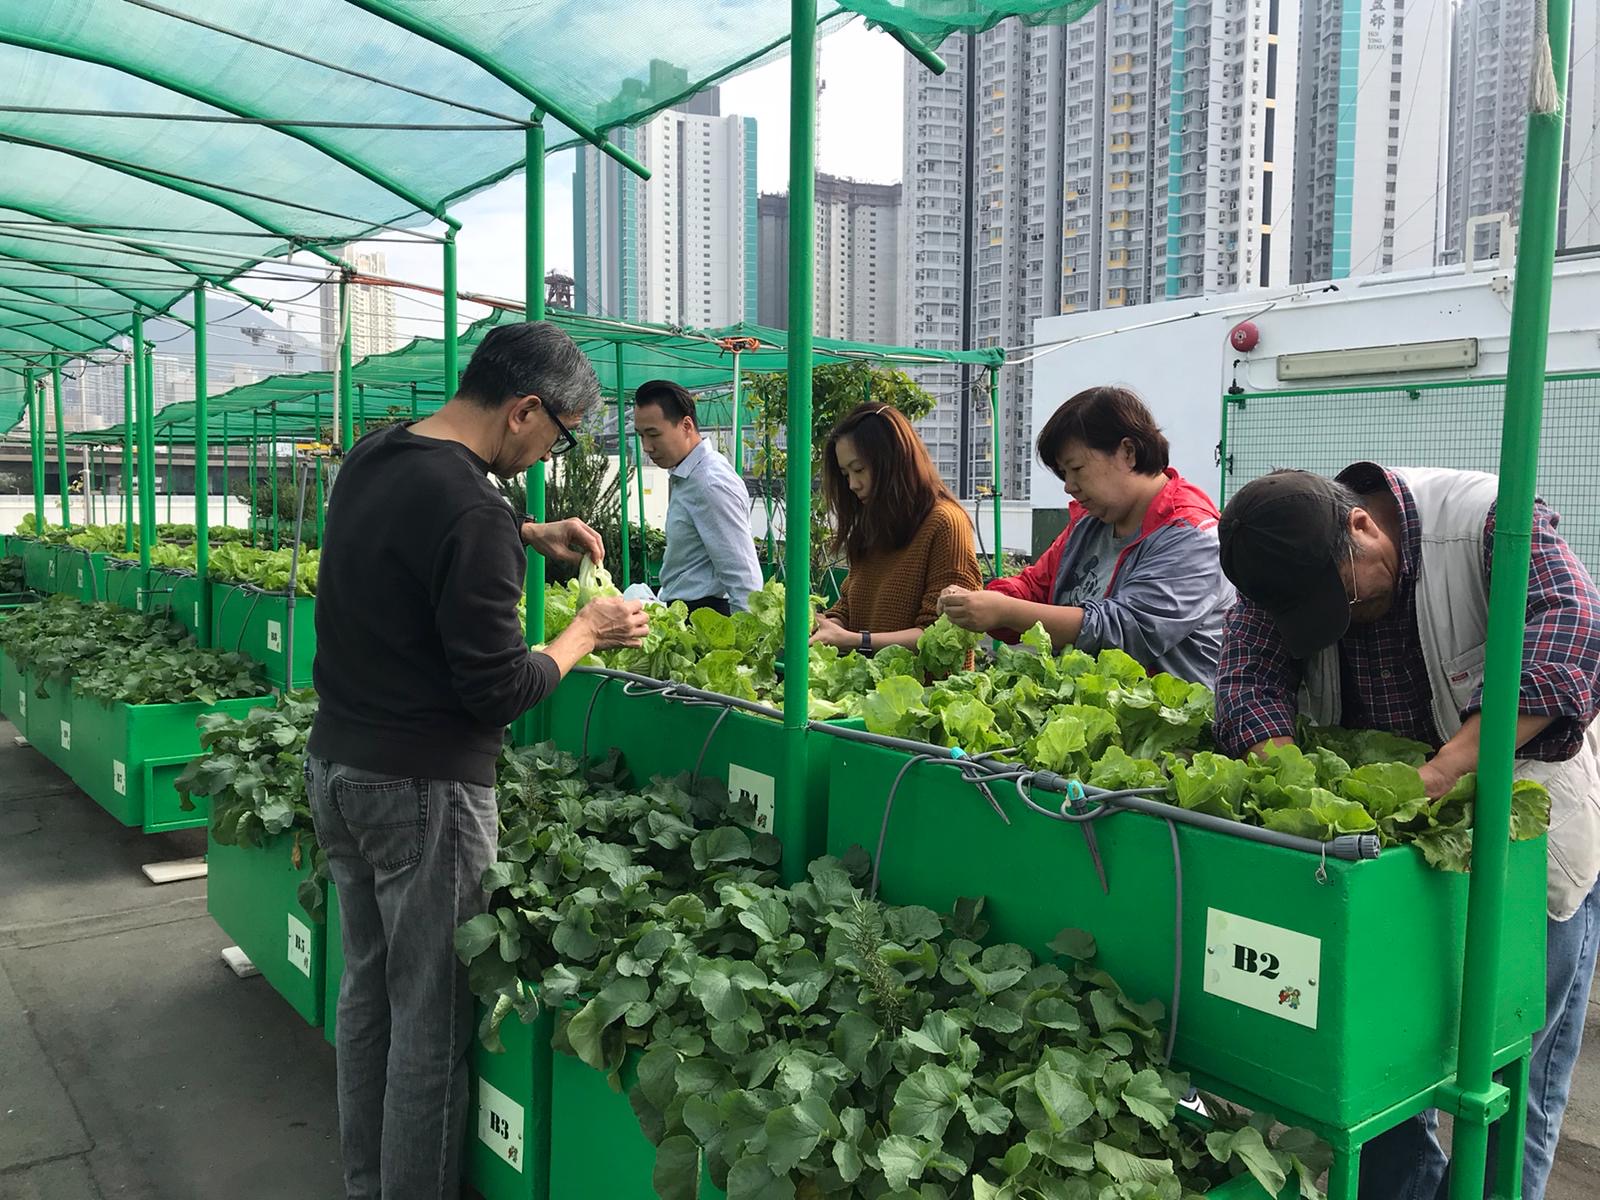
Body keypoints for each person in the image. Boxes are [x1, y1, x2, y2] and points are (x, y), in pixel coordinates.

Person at [306, 322, 650, 1199]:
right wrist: (587, 631)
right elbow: (499, 688)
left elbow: (420, 541)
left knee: (369, 996)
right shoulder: (473, 510)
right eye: (557, 437)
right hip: (425, 792)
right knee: (430, 1024)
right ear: (525, 409)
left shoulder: (379, 457)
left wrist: (524, 535)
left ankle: (365, 1184)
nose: (547, 457)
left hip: (339, 767)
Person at [1213, 462, 1600, 1200]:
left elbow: (1570, 634)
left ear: (1362, 525)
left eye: (1346, 596)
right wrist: (1304, 787)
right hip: (1385, 848)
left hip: (1526, 824)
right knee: (1381, 1058)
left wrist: (1445, 772)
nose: (1344, 617)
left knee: (1514, 1067)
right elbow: (1244, 686)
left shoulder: (1488, 518)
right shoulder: (1285, 562)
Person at [937, 386, 1232, 685]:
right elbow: (1035, 587)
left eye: (1076, 468)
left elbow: (1125, 632)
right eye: (1064, 474)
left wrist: (1005, 611)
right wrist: (983, 601)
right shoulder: (1089, 522)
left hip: (1168, 724)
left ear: (1127, 452)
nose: (1069, 486)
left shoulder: (1192, 535)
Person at [809, 402, 982, 653]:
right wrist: (828, 625)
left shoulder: (946, 523)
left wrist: (857, 641)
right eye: (846, 475)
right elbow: (849, 605)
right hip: (867, 687)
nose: (852, 485)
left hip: (928, 691)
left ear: (894, 461)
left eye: (859, 469)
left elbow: (943, 635)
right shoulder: (875, 523)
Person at [633, 379, 762, 614]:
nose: (647, 446)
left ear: (686, 425)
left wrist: (747, 643)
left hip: (706, 616)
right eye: (641, 435)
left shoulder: (709, 482)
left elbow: (743, 576)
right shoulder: (687, 474)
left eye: (653, 434)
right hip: (686, 611)